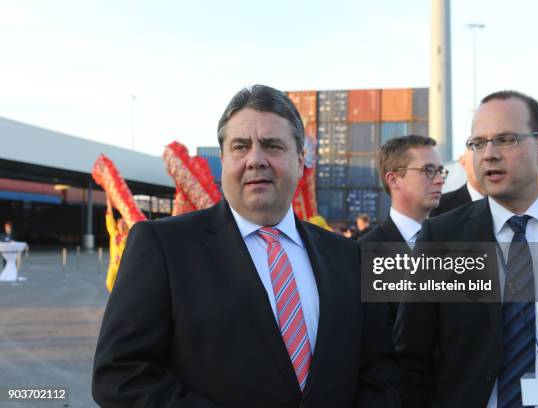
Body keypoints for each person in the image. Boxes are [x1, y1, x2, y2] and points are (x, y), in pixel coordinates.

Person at [92, 84, 399, 407]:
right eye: (240, 146)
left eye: (272, 145)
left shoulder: (350, 256)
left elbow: (381, 369)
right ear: (223, 159)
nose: (255, 159)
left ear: (299, 158)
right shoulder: (162, 247)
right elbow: (119, 374)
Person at [394, 90, 538, 407]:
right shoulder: (443, 239)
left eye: (506, 139)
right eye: (477, 143)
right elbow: (411, 356)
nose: (488, 154)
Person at [359, 135, 446, 323]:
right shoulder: (365, 252)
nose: (440, 180)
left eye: (440, 171)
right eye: (428, 170)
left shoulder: (455, 241)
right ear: (394, 179)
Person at [429, 148, 485, 216]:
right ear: (463, 162)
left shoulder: (500, 204)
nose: (487, 166)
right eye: (478, 159)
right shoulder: (438, 206)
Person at [105, 199, 129, 292]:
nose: (121, 225)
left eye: (124, 223)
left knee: (125, 286)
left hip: (124, 267)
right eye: (120, 223)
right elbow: (109, 217)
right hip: (113, 265)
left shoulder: (130, 235)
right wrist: (109, 205)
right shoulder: (113, 233)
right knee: (109, 284)